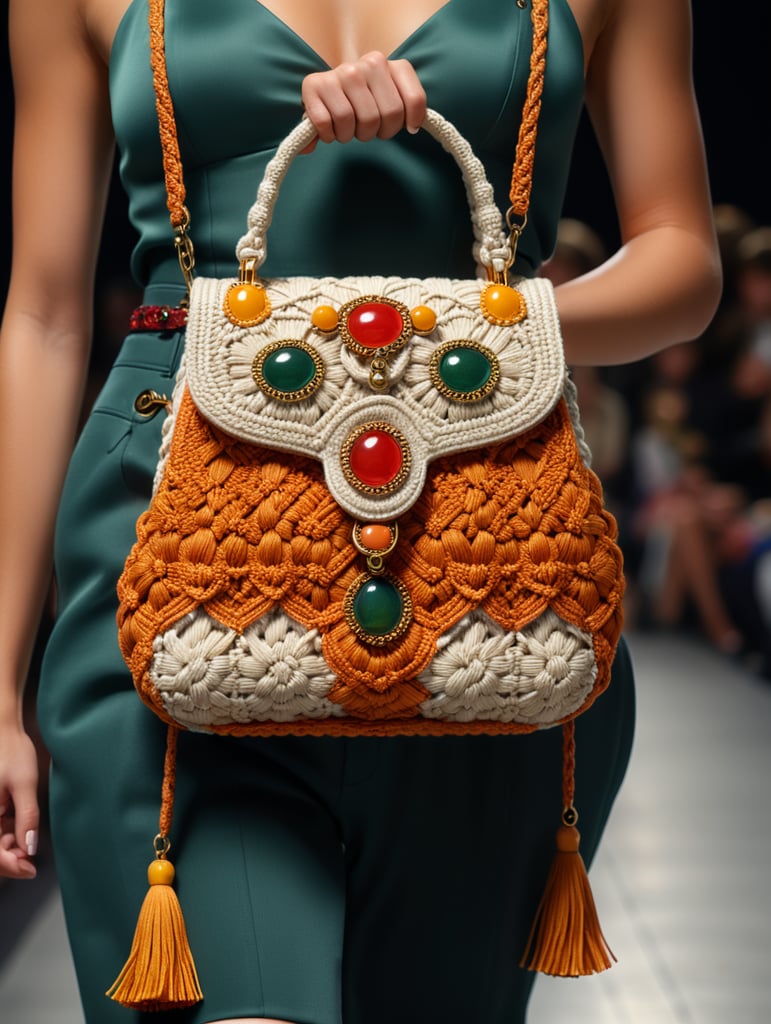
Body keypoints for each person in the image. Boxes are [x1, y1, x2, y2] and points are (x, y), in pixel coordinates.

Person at [0, 1, 721, 1022]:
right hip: (172, 548)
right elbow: (42, 314)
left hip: (485, 567)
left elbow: (683, 258)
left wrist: (461, 334)